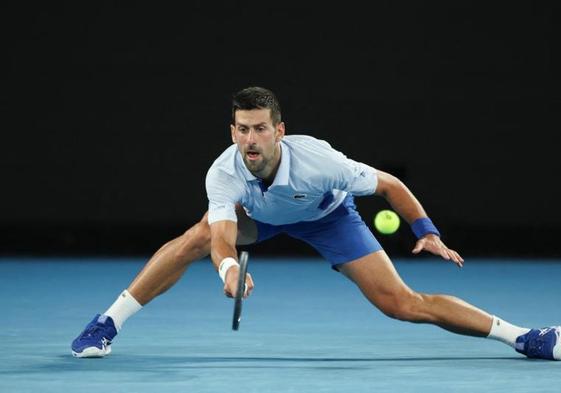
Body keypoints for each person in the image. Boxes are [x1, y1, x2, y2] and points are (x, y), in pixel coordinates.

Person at [71, 86, 560, 361]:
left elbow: (389, 185)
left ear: (279, 130)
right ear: (233, 132)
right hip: (259, 220)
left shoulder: (320, 161)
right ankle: (106, 323)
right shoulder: (223, 172)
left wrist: (425, 230)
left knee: (402, 304)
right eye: (242, 129)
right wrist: (228, 272)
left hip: (329, 219)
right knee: (195, 236)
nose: (251, 138)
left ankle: (526, 337)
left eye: (261, 127)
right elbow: (221, 238)